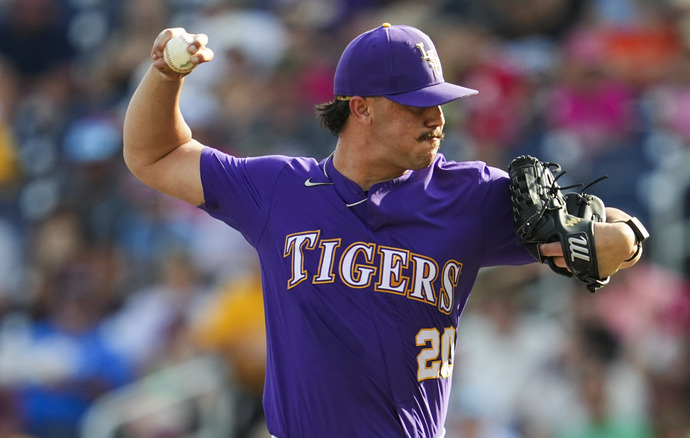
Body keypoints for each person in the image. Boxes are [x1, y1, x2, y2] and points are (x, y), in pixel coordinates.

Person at [123, 23, 642, 438]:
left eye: (440, 101)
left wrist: (622, 239)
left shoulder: (471, 195)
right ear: (362, 108)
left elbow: (614, 227)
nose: (437, 117)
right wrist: (167, 75)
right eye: (417, 103)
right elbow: (155, 155)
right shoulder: (280, 189)